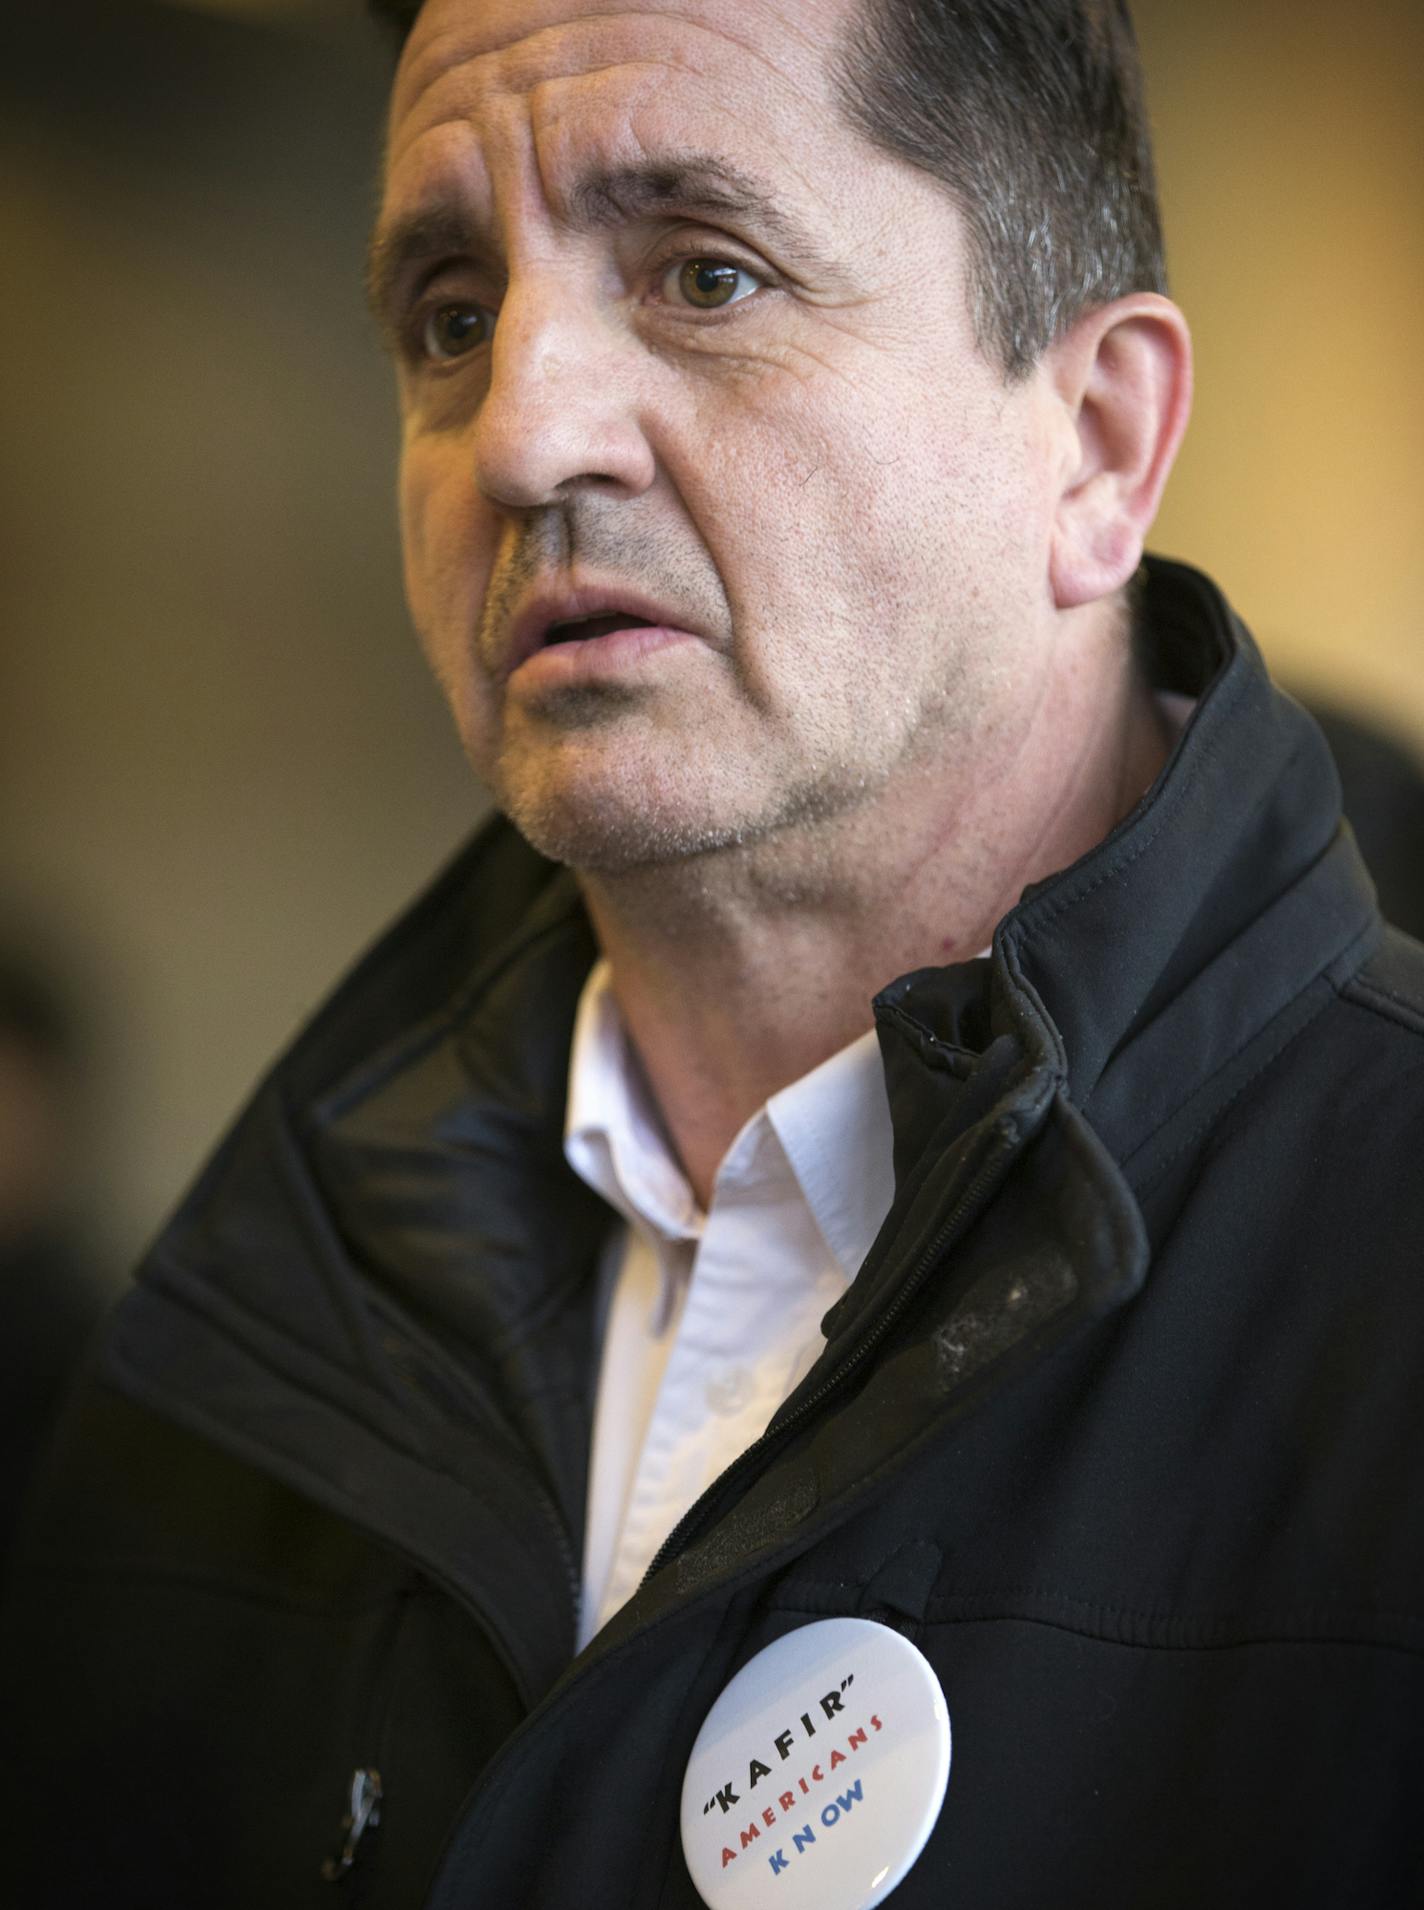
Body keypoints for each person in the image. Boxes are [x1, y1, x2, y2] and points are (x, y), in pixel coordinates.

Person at [2, 0, 1421, 1904]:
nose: (521, 430)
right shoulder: (232, 1360)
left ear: (1093, 445)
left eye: (708, 274)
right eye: (449, 313)